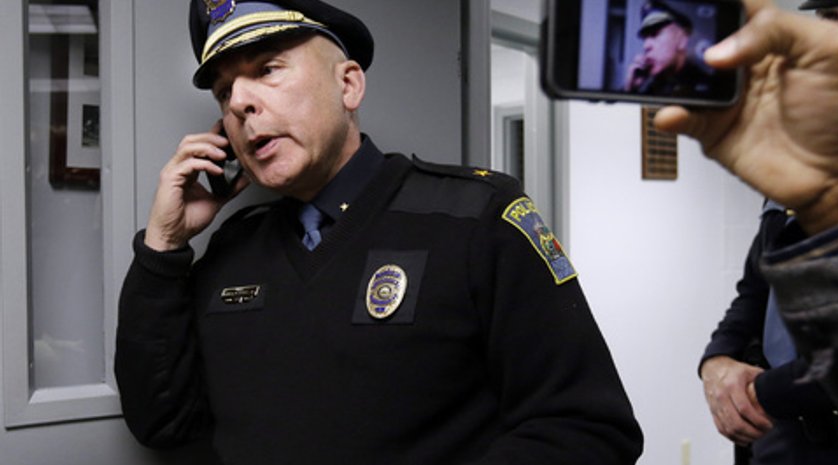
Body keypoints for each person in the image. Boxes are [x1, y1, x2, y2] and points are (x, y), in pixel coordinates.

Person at [114, 1, 643, 464]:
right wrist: (165, 246)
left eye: (268, 70)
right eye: (224, 91)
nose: (238, 103)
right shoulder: (236, 246)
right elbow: (163, 422)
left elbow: (589, 428)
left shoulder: (476, 217)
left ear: (348, 85)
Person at [652, 0, 838, 462]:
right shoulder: (813, 128)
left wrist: (760, 391)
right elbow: (759, 282)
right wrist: (719, 360)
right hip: (781, 438)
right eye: (829, 15)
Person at [624, 0, 711, 95]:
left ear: (682, 40)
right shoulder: (652, 86)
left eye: (654, 34)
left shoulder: (708, 86)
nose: (646, 46)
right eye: (645, 38)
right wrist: (632, 89)